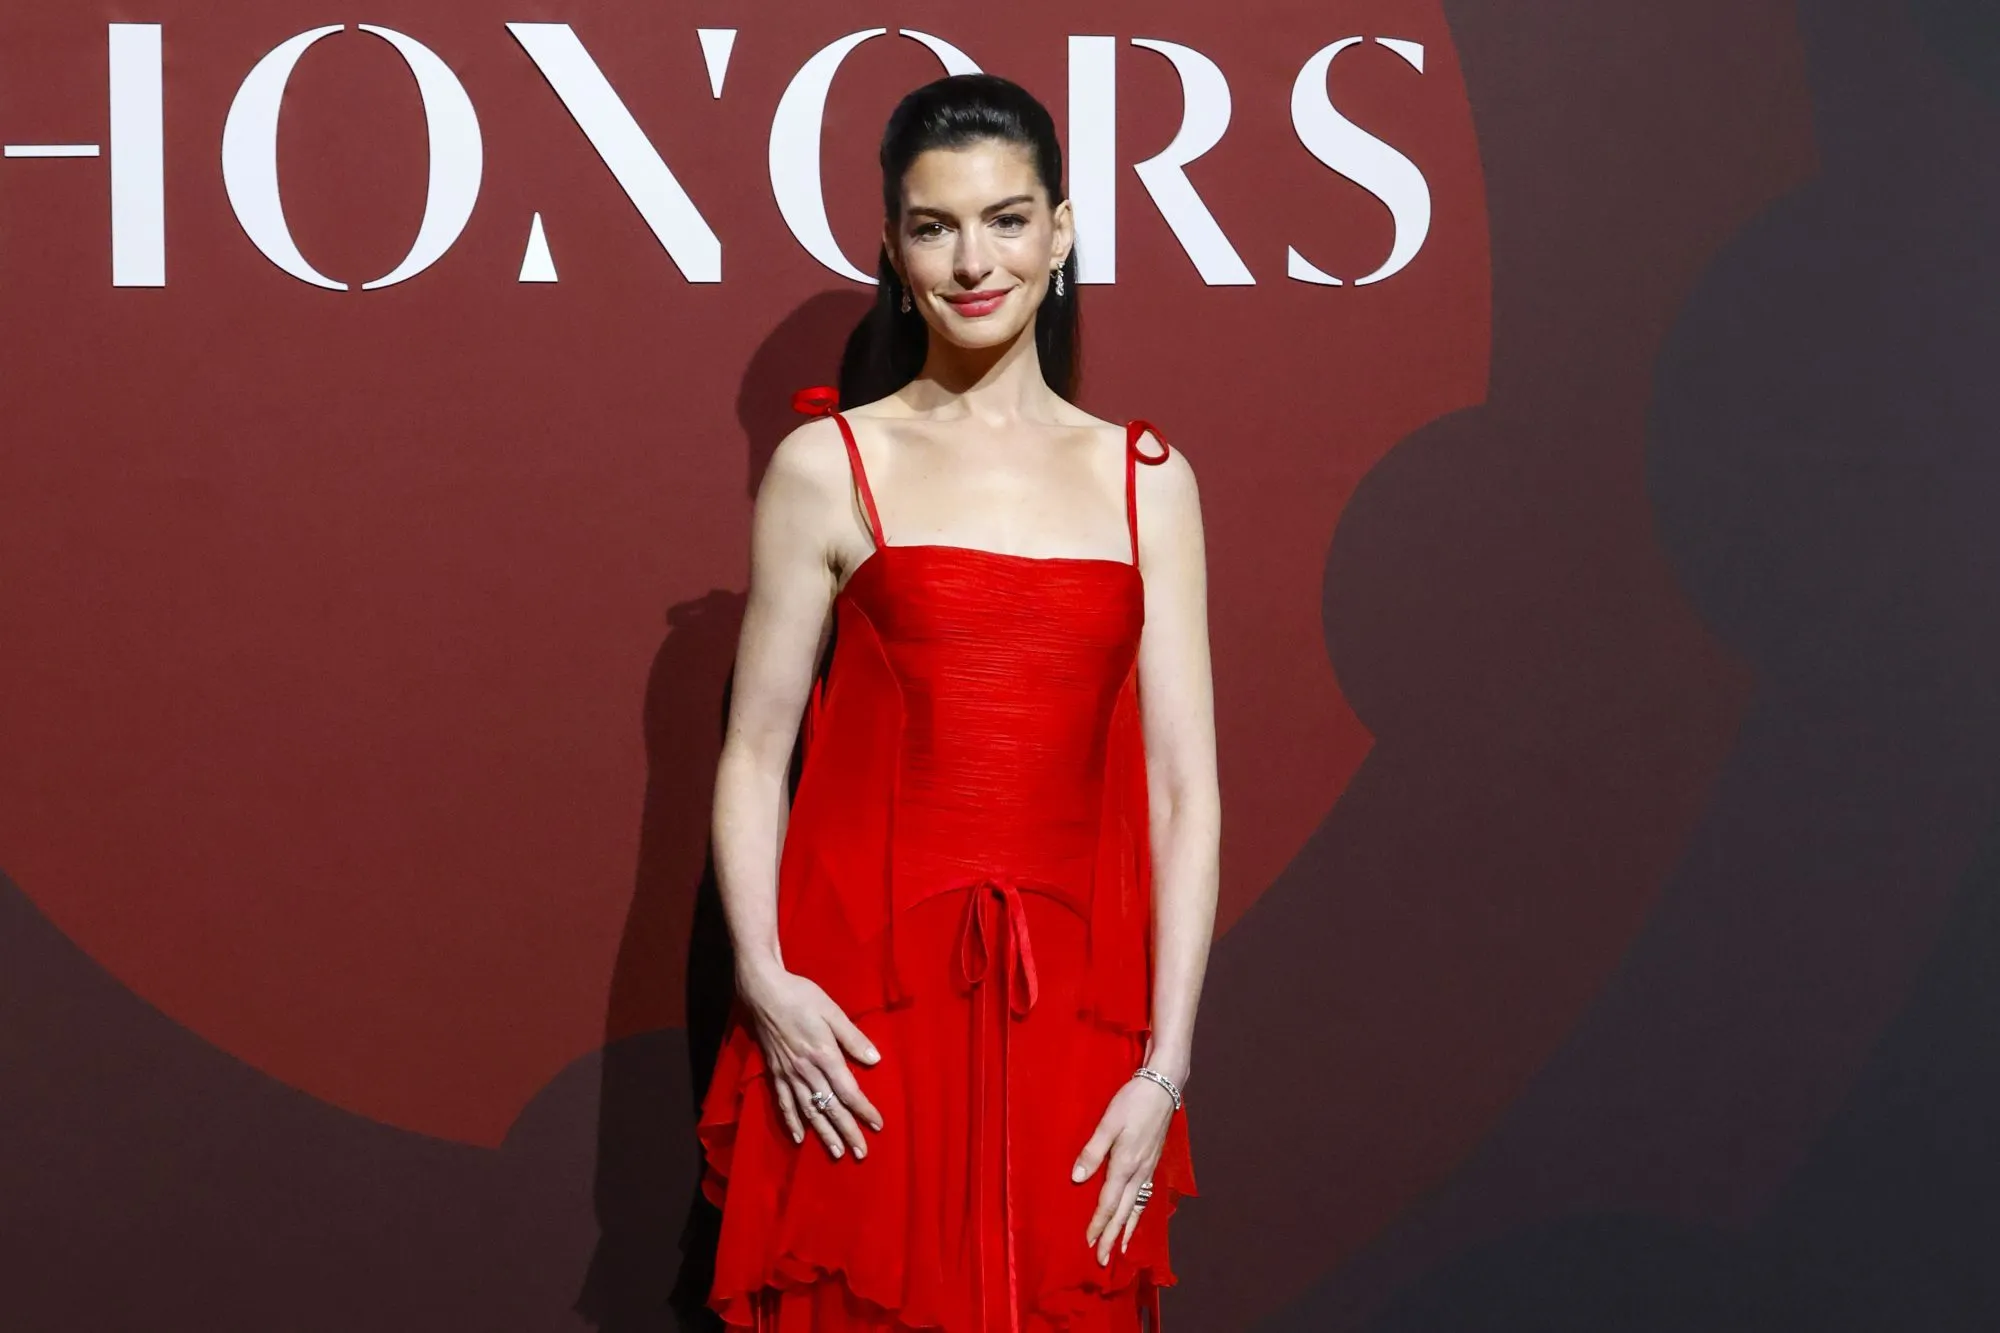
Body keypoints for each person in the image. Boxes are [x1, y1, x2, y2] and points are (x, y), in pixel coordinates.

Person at [696, 71, 1220, 1332]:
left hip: (1079, 1028)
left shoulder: (1147, 479)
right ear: (890, 245)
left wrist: (1165, 1068)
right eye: (933, 227)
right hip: (863, 1027)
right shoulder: (828, 467)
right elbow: (754, 749)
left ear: (1061, 229)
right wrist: (765, 981)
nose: (971, 260)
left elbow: (1181, 787)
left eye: (1004, 217)